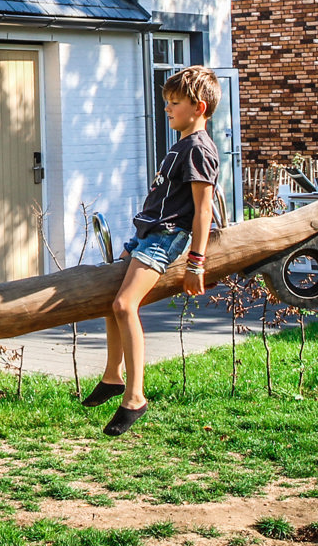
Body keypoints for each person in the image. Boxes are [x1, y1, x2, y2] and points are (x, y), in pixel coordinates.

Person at [81, 65, 220, 437]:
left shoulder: (199, 150)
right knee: (112, 300)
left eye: (174, 103)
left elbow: (202, 210)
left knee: (125, 305)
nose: (167, 109)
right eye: (167, 102)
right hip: (147, 233)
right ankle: (113, 376)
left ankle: (135, 397)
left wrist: (197, 262)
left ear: (199, 107)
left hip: (165, 237)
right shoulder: (182, 146)